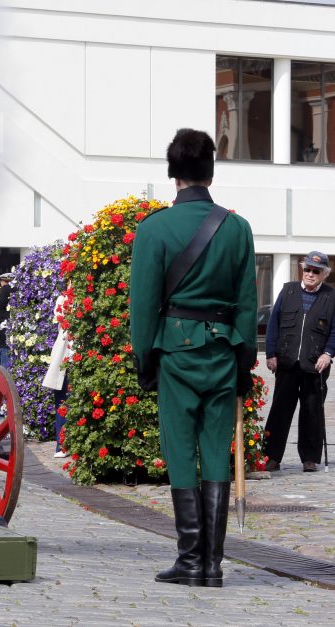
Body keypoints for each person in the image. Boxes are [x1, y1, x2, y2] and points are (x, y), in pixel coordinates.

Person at [130, 128, 256, 588]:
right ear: (210, 170)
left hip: (176, 354)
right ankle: (213, 564)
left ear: (173, 173)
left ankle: (189, 560)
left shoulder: (155, 228)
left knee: (181, 454)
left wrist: (145, 359)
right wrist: (243, 364)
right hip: (224, 351)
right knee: (217, 455)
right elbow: (246, 302)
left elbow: (142, 307)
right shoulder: (237, 227)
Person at [263, 251, 335, 473]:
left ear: (324, 274)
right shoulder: (288, 290)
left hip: (315, 364)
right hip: (287, 361)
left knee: (312, 411)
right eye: (307, 270)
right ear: (302, 270)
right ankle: (271, 457)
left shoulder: (331, 296)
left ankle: (310, 458)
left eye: (316, 271)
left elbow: (334, 330)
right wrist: (271, 353)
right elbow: (273, 323)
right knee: (280, 411)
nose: (310, 274)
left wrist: (328, 353)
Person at [42, 293, 71, 458]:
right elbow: (61, 319)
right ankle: (62, 445)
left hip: (74, 355)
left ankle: (67, 444)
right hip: (64, 354)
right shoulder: (63, 299)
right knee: (62, 401)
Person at [0, 272, 14, 367]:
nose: (8, 284)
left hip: (9, 326)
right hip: (3, 325)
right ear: (1, 282)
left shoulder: (11, 290)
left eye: (10, 282)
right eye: (5, 281)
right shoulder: (1, 291)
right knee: (3, 352)